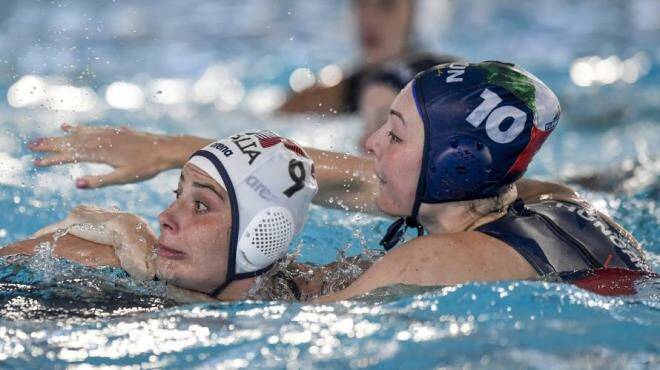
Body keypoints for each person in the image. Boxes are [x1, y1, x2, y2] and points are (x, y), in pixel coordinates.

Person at [27, 62, 652, 301]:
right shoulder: (558, 204)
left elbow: (270, 334)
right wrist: (170, 150)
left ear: (454, 164)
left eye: (395, 133)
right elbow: (338, 179)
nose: (370, 143)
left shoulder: (432, 260)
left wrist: (144, 261)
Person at [3, 130, 325, 302]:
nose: (164, 217)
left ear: (262, 235)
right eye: (177, 195)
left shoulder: (320, 295)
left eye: (201, 205)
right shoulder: (95, 264)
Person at [280, 0, 458, 114]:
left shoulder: (449, 81)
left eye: (386, 6)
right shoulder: (330, 93)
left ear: (416, 16)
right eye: (362, 3)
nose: (369, 19)